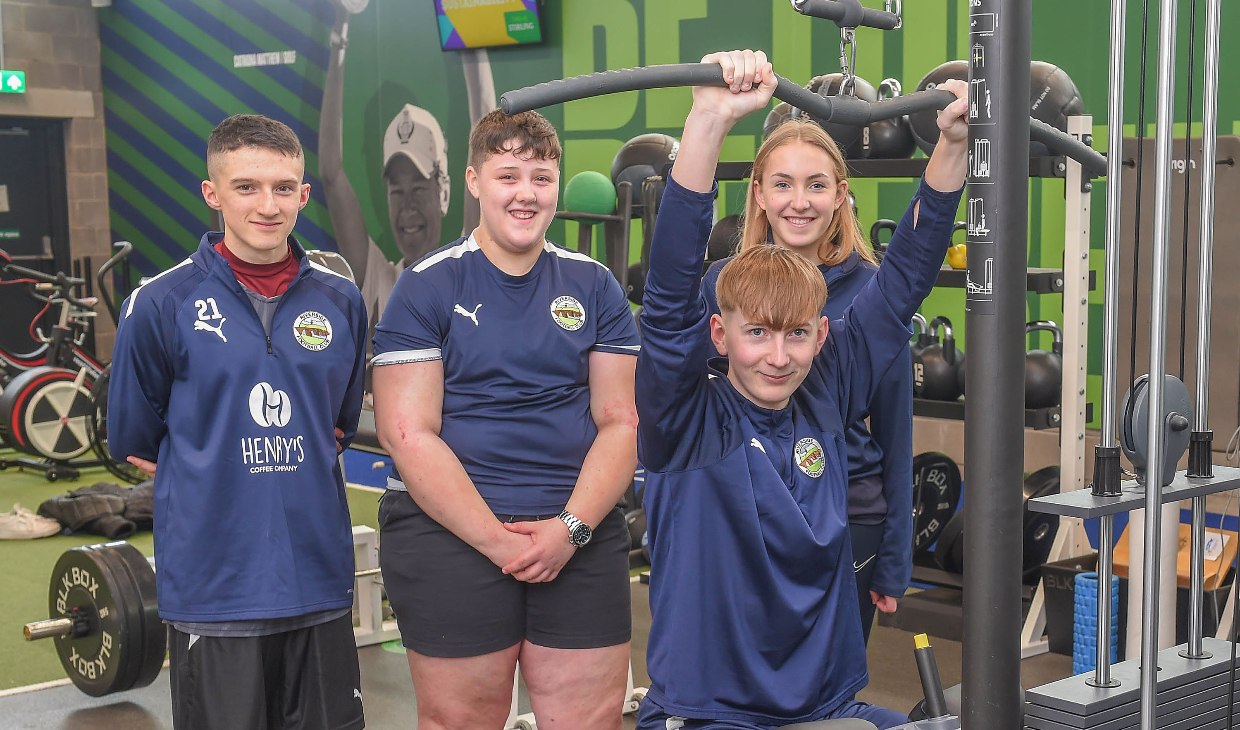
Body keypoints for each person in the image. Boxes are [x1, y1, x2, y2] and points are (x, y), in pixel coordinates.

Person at [636, 50, 967, 729]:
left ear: (822, 337)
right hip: (715, 711)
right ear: (719, 337)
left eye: (795, 337)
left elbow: (904, 277)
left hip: (821, 703)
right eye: (757, 335)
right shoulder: (685, 422)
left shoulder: (827, 386)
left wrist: (954, 144)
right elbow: (669, 290)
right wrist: (708, 121)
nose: (778, 358)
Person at [371, 108, 640, 730]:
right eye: (508, 175)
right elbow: (406, 434)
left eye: (542, 177)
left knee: (590, 721)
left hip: (577, 534)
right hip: (451, 536)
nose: (526, 193)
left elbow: (619, 421)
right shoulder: (427, 285)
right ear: (473, 181)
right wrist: (500, 542)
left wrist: (567, 531)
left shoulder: (593, 285)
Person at [109, 114, 368, 730]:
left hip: (318, 581)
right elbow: (139, 441)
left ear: (304, 195)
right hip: (216, 589)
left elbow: (337, 422)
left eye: (284, 188)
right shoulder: (161, 303)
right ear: (213, 192)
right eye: (246, 186)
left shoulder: (342, 300)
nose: (267, 205)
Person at [701, 119, 912, 642]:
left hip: (847, 513)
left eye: (816, 185)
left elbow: (895, 426)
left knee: (830, 688)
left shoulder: (873, 292)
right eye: (783, 184)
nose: (800, 202)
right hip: (744, 508)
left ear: (840, 195)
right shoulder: (720, 285)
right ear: (759, 194)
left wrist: (894, 556)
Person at [319, 0, 497, 326]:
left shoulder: (468, 262)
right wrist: (340, 31)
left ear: (444, 192)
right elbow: (331, 172)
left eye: (418, 187)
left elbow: (486, 132)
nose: (408, 205)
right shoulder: (376, 277)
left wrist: (468, 19)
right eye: (397, 191)